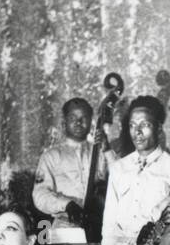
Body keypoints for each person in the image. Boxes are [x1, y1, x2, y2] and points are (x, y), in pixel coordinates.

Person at [99, 96, 170, 245]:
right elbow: (109, 223)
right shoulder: (119, 168)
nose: (137, 131)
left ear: (159, 127)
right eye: (132, 126)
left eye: (144, 125)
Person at [32, 98, 114, 231]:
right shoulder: (51, 156)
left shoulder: (101, 151)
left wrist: (108, 150)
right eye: (72, 117)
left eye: (84, 118)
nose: (78, 122)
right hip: (64, 227)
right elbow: (40, 194)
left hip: (99, 226)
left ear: (91, 123)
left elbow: (124, 179)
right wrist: (67, 205)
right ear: (64, 124)